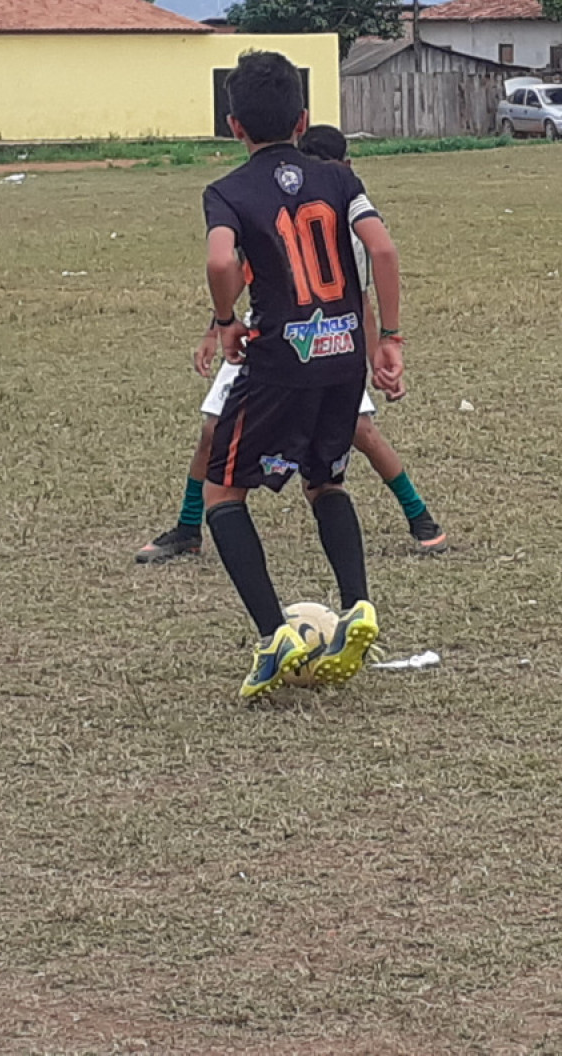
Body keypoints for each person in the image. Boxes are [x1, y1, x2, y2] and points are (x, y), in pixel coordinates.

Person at [137, 127, 445, 569]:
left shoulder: (351, 219)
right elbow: (239, 271)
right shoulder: (279, 201)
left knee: (362, 434)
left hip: (328, 345)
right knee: (211, 430)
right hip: (270, 342)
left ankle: (420, 518)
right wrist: (217, 326)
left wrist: (378, 351)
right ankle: (189, 528)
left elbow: (361, 298)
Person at [200, 50, 404, 699]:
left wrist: (225, 317)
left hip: (279, 362)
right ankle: (358, 607)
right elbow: (383, 248)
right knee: (326, 481)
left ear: (234, 126)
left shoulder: (228, 191)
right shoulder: (338, 179)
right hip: (344, 357)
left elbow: (220, 259)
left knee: (222, 493)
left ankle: (274, 634)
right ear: (304, 117)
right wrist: (389, 337)